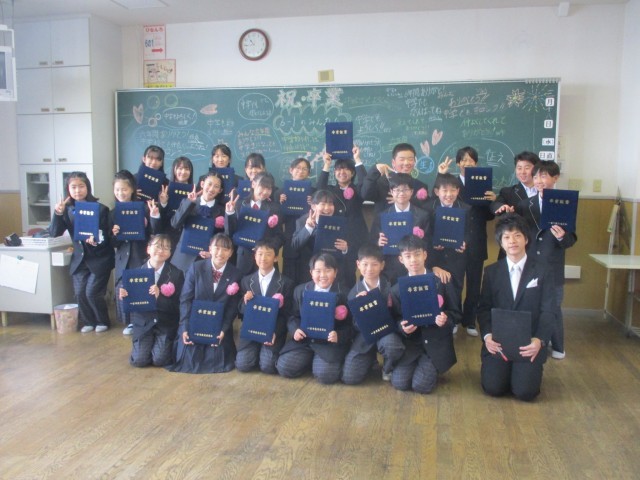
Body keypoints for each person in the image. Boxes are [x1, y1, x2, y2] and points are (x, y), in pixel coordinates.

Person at [477, 213, 556, 401]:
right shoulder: (491, 272)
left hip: (529, 343)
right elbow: (484, 308)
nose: (512, 241)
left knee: (525, 392)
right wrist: (487, 336)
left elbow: (549, 311)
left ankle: (522, 373)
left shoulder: (543, 271)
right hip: (499, 343)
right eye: (506, 237)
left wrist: (539, 340)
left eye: (517, 235)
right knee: (493, 388)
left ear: (526, 239)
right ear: (501, 243)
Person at [516, 160, 577, 360]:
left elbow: (571, 240)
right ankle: (532, 340)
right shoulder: (525, 205)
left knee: (553, 307)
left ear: (555, 178)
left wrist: (561, 236)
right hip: (530, 264)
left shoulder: (565, 203)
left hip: (552, 265)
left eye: (543, 176)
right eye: (536, 177)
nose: (539, 181)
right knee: (529, 304)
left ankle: (558, 345)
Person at [436, 147, 495, 337]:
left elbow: (489, 216)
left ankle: (470, 321)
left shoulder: (483, 183)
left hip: (476, 240)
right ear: (458, 163)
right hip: (454, 242)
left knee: (474, 284)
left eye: (471, 160)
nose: (467, 163)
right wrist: (440, 174)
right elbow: (436, 201)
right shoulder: (451, 185)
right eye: (464, 160)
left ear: (476, 163)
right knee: (455, 283)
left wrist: (490, 200)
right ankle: (454, 317)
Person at [389, 235, 459, 394]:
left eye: (417, 254)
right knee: (400, 383)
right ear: (401, 259)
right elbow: (395, 319)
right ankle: (420, 364)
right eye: (408, 256)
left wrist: (446, 319)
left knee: (421, 386)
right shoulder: (396, 289)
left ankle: (431, 365)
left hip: (436, 342)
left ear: (425, 255)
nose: (413, 260)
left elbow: (455, 312)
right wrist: (402, 327)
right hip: (411, 344)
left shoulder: (441, 281)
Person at [48, 171, 114, 333]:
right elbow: (54, 232)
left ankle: (102, 321)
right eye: (73, 187)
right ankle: (88, 321)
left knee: (92, 292)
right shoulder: (67, 210)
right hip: (79, 259)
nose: (77, 190)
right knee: (79, 293)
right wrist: (58, 213)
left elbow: (107, 236)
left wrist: (96, 239)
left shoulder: (101, 209)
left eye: (81, 186)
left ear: (87, 187)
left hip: (99, 259)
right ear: (68, 189)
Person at [167, 233, 242, 374]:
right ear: (210, 249)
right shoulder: (196, 268)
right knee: (189, 356)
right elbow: (185, 299)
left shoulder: (235, 274)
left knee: (217, 357)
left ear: (231, 253)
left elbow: (232, 307)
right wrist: (184, 326)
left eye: (225, 249)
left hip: (218, 326)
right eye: (217, 248)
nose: (220, 253)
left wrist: (224, 329)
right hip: (194, 323)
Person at [276, 253, 353, 384]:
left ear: (335, 272)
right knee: (284, 367)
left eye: (327, 270)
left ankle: (317, 362)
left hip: (329, 344)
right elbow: (293, 316)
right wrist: (295, 330)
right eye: (318, 271)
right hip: (305, 340)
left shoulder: (345, 293)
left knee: (326, 375)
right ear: (311, 272)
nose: (323, 275)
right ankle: (309, 360)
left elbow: (351, 326)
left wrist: (339, 335)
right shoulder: (300, 290)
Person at [342, 245, 404, 384]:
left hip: (388, 332)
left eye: (374, 264)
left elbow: (398, 313)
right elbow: (355, 325)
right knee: (350, 377)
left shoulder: (391, 286)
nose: (369, 269)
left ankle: (388, 367)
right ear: (358, 264)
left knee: (392, 346)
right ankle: (370, 360)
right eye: (365, 264)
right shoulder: (353, 293)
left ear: (382, 265)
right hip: (365, 337)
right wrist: (361, 310)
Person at [119, 234, 185, 367]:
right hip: (143, 323)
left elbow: (179, 306)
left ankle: (163, 346)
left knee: (160, 360)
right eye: (158, 246)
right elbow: (131, 307)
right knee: (139, 361)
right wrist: (124, 297)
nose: (161, 250)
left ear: (170, 253)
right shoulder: (135, 273)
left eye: (166, 248)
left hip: (165, 323)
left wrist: (159, 298)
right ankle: (146, 346)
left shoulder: (176, 274)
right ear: (148, 249)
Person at [109, 170, 160, 335]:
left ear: (132, 189)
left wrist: (149, 220)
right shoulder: (113, 213)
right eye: (117, 190)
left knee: (140, 287)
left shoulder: (144, 209)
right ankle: (129, 322)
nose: (121, 193)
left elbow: (154, 232)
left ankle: (140, 320)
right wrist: (115, 234)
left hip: (140, 254)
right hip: (123, 258)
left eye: (124, 189)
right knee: (123, 288)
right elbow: (112, 243)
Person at [237, 239, 295, 374]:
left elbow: (287, 315)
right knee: (243, 365)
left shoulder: (286, 283)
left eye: (268, 254)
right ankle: (254, 352)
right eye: (260, 254)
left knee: (268, 366)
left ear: (276, 258)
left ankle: (263, 353)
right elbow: (240, 311)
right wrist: (245, 302)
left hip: (272, 331)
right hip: (251, 331)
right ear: (255, 256)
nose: (263, 258)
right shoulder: (246, 281)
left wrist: (275, 332)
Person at [424, 172, 470, 333]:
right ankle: (435, 316)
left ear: (458, 191)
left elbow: (469, 232)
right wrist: (432, 243)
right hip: (434, 256)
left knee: (455, 286)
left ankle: (454, 319)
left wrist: (465, 242)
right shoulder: (428, 208)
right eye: (445, 190)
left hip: (456, 257)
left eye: (453, 190)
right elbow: (424, 233)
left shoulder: (465, 208)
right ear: (437, 191)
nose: (449, 194)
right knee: (435, 286)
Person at [316, 147, 368, 288]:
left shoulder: (358, 190)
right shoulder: (330, 190)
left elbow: (367, 185)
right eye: (338, 169)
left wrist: (357, 159)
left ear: (353, 173)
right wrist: (327, 164)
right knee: (330, 277)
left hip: (353, 240)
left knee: (348, 278)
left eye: (346, 169)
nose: (342, 172)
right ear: (334, 172)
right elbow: (319, 190)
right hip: (332, 239)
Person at [370, 172, 430, 285]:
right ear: (391, 192)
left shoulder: (423, 215)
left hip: (415, 268)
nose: (401, 193)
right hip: (390, 269)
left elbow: (428, 243)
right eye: (397, 190)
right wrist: (378, 242)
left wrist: (419, 240)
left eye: (405, 189)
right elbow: (372, 241)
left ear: (411, 192)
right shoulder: (382, 216)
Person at [224, 172, 285, 276]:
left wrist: (267, 248)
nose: (265, 192)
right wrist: (229, 213)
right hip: (243, 259)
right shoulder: (239, 204)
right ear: (253, 184)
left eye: (269, 188)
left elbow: (280, 236)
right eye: (262, 187)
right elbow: (229, 233)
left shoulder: (274, 208)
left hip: (265, 260)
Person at [290, 189, 350, 286]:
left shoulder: (339, 222)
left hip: (332, 274)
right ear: (313, 206)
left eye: (330, 204)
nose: (327, 208)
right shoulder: (302, 221)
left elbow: (349, 250)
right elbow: (295, 246)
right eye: (323, 204)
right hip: (309, 273)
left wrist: (345, 249)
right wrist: (308, 228)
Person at [170, 172, 226, 274]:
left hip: (205, 260)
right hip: (183, 258)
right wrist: (189, 202)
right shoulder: (188, 202)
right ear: (202, 184)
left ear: (220, 190)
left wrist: (213, 253)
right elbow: (175, 224)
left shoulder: (223, 211)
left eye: (216, 186)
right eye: (209, 184)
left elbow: (224, 237)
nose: (211, 189)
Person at [490, 151, 540, 259]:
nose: (522, 172)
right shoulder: (508, 192)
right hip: (513, 248)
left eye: (527, 168)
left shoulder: (544, 193)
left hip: (537, 248)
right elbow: (495, 204)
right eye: (519, 168)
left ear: (536, 169)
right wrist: (501, 208)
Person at [361, 142, 430, 214]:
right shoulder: (382, 182)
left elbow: (425, 210)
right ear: (393, 162)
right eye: (402, 159)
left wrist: (406, 200)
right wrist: (374, 170)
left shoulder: (420, 186)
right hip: (385, 220)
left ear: (414, 162)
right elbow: (366, 195)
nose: (406, 163)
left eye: (410, 159)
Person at [280, 157, 314, 285]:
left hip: (308, 244)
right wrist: (281, 204)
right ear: (291, 170)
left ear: (308, 173)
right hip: (289, 242)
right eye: (298, 168)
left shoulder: (313, 193)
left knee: (306, 282)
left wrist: (312, 204)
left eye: (304, 169)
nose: (301, 171)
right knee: (288, 282)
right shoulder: (281, 193)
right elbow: (279, 220)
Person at [162, 156, 194, 253]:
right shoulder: (165, 189)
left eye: (186, 169)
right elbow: (161, 216)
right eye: (180, 168)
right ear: (174, 170)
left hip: (186, 235)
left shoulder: (195, 191)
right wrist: (163, 203)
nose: (183, 172)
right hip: (167, 234)